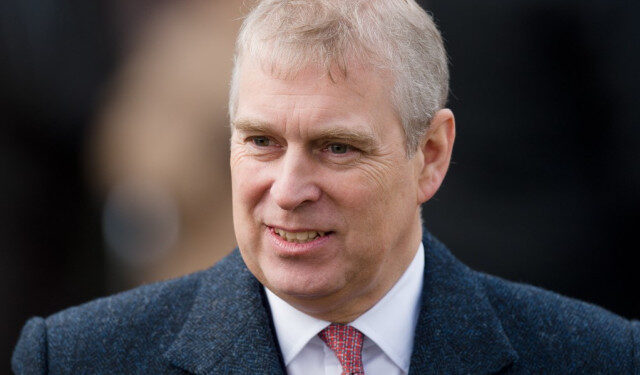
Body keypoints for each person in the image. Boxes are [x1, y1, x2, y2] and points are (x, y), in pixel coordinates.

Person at [12, 0, 639, 374]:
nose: (288, 190)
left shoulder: (598, 356)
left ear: (431, 156)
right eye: (260, 141)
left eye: (336, 148)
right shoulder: (76, 358)